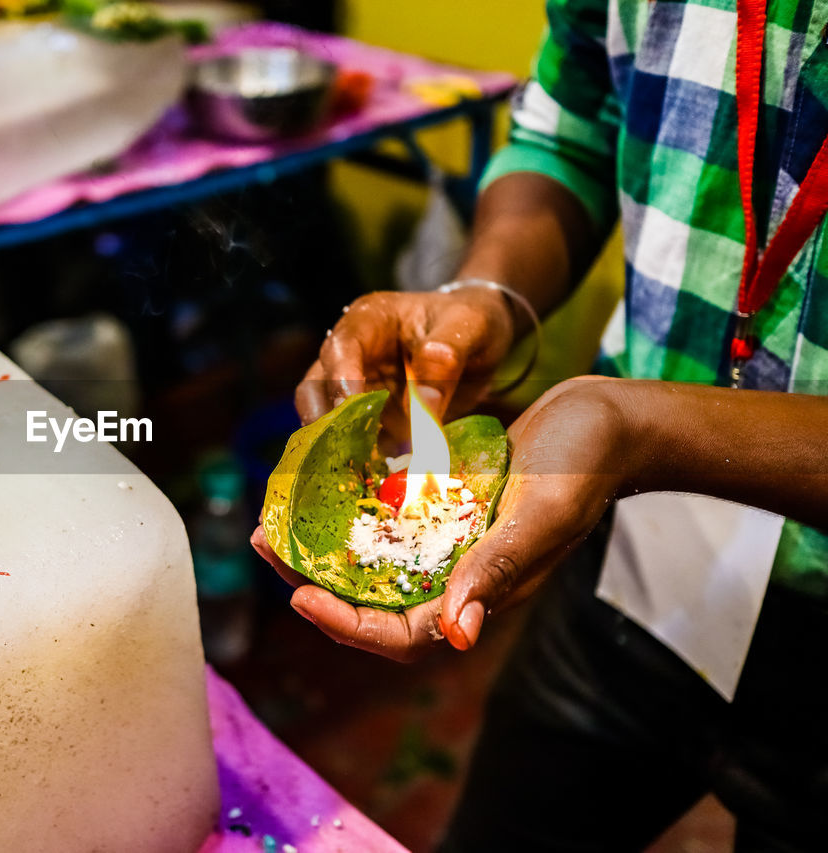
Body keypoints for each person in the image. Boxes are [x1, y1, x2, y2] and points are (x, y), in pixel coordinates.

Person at [252, 0, 828, 849]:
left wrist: (639, 426)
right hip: (640, 556)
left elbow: (628, 428)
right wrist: (487, 294)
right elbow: (572, 127)